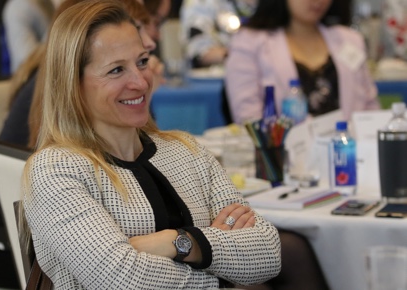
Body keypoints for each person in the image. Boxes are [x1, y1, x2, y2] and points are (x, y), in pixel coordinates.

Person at [21, 0, 281, 289]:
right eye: (116, 70)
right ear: (73, 84)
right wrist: (216, 262)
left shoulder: (186, 151)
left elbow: (268, 253)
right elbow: (121, 279)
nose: (142, 83)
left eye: (142, 61)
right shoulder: (56, 170)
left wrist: (177, 242)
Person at [0, 0, 158, 288]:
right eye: (139, 27)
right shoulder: (59, 103)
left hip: (47, 229)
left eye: (140, 55)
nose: (150, 41)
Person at [225, 0, 381, 124]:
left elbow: (370, 109)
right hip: (282, 157)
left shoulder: (350, 40)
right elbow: (248, 117)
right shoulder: (250, 41)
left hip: (348, 153)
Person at [179, 0, 257, 68]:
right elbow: (197, 52)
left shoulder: (262, 5)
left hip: (260, 73)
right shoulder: (201, 2)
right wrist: (241, 56)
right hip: (215, 79)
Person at [3, 0, 60, 72]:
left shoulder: (48, 3)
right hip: (30, 76)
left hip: (49, 71)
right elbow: (27, 60)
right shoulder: (17, 8)